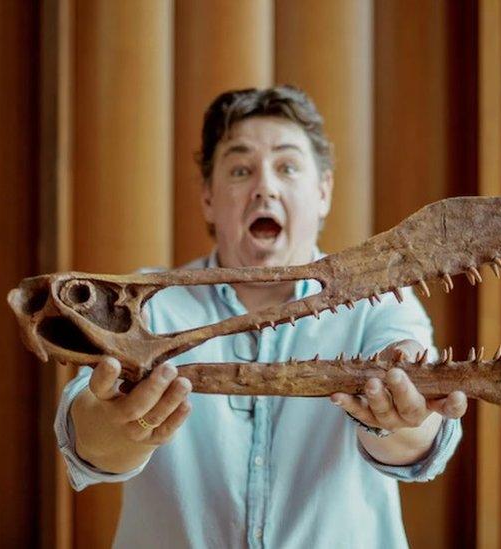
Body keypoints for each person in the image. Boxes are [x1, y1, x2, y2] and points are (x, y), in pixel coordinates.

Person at [56, 86, 467, 548]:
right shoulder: (144, 305)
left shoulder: (384, 302)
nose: (265, 186)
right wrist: (120, 430)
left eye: (287, 167)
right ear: (209, 198)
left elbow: (420, 441)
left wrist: (399, 415)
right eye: (240, 169)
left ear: (323, 192)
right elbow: (85, 435)